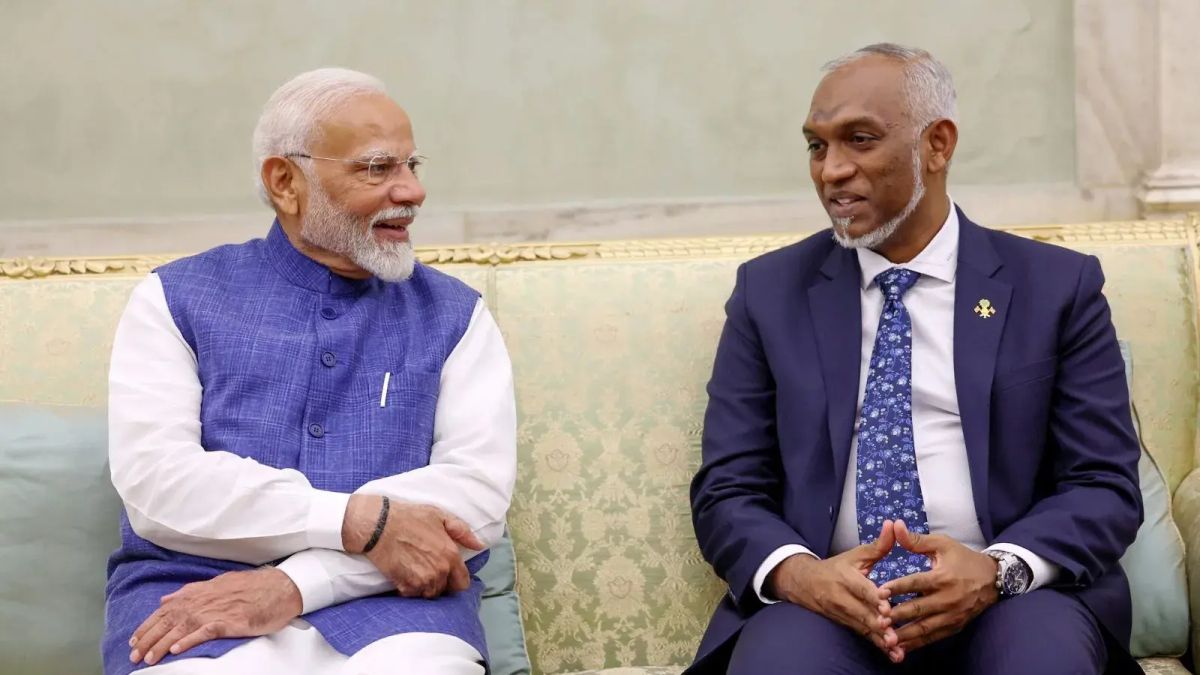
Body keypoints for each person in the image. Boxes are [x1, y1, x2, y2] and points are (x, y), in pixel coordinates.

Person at [687, 44, 1143, 674]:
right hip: (826, 607)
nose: (831, 171)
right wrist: (801, 576)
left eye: (860, 140)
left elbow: (1104, 485)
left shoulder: (1055, 289)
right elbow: (727, 489)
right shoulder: (770, 294)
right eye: (817, 147)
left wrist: (997, 570)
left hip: (1011, 599)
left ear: (938, 145)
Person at [102, 68, 516, 674]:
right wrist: (353, 521)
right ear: (286, 182)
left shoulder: (457, 316)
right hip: (191, 606)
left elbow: (474, 500)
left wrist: (299, 584)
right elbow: (158, 485)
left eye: (412, 165)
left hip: (399, 614)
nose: (412, 192)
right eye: (378, 168)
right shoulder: (174, 299)